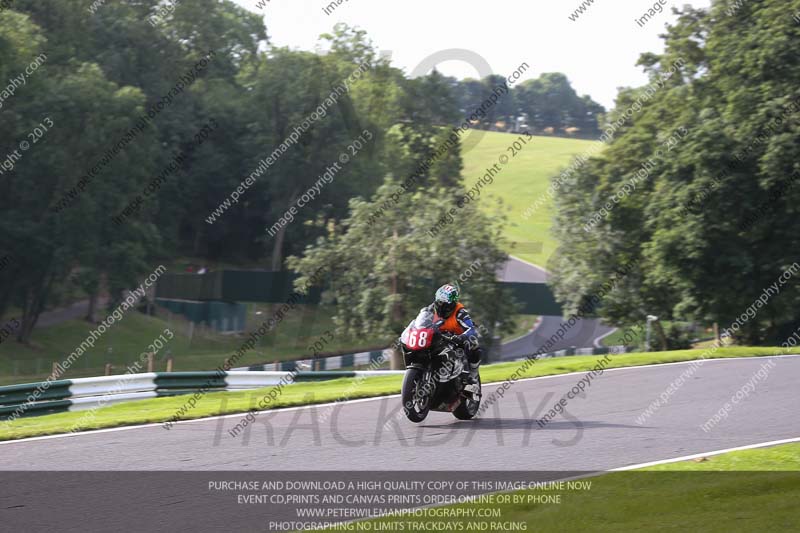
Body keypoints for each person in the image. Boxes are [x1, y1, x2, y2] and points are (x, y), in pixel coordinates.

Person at [429, 283, 481, 385]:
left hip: (457, 341)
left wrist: (461, 337)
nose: (442, 307)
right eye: (440, 303)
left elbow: (471, 329)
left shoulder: (460, 312)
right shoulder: (430, 310)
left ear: (453, 303)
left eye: (446, 305)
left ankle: (473, 375)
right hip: (438, 339)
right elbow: (420, 322)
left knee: (474, 343)